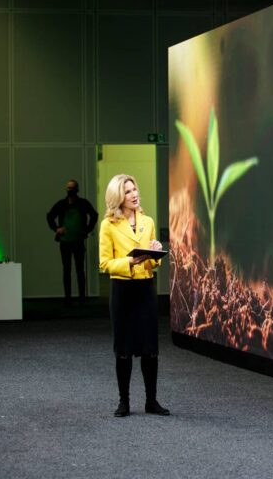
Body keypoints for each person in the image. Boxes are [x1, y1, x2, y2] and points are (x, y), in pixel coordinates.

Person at [99, 174, 169, 417]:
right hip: (123, 290)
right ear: (118, 197)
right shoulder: (108, 225)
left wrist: (155, 254)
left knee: (150, 348)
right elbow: (105, 263)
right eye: (128, 191)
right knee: (124, 349)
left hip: (146, 288)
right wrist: (129, 261)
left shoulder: (147, 222)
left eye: (134, 189)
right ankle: (124, 402)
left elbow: (152, 262)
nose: (134, 194)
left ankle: (151, 401)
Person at [46, 179, 98, 306]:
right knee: (67, 270)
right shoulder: (61, 204)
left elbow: (94, 215)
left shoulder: (83, 203)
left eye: (72, 188)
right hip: (65, 242)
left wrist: (87, 229)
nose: (70, 190)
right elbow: (49, 216)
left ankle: (82, 299)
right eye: (69, 188)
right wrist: (57, 229)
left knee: (80, 270)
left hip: (78, 241)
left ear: (77, 189)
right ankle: (68, 299)